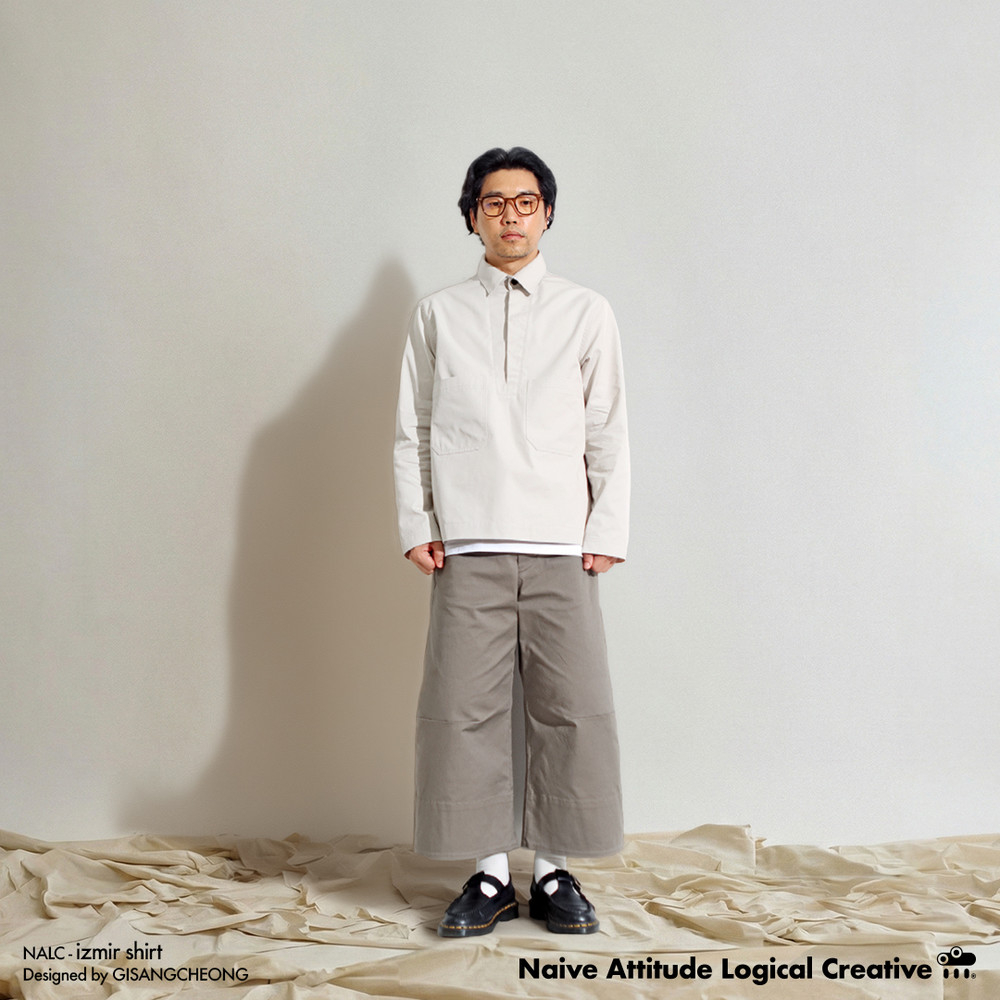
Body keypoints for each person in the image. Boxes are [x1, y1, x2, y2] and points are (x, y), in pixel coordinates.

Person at [393, 146, 629, 937]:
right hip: (467, 539)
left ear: (547, 213)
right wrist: (418, 523)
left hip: (563, 540)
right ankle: (490, 874)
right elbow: (414, 427)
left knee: (572, 709)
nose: (511, 217)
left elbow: (608, 426)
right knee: (464, 711)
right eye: (494, 203)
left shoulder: (586, 311)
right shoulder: (437, 314)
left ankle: (555, 872)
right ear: (473, 217)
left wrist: (607, 527)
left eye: (525, 202)